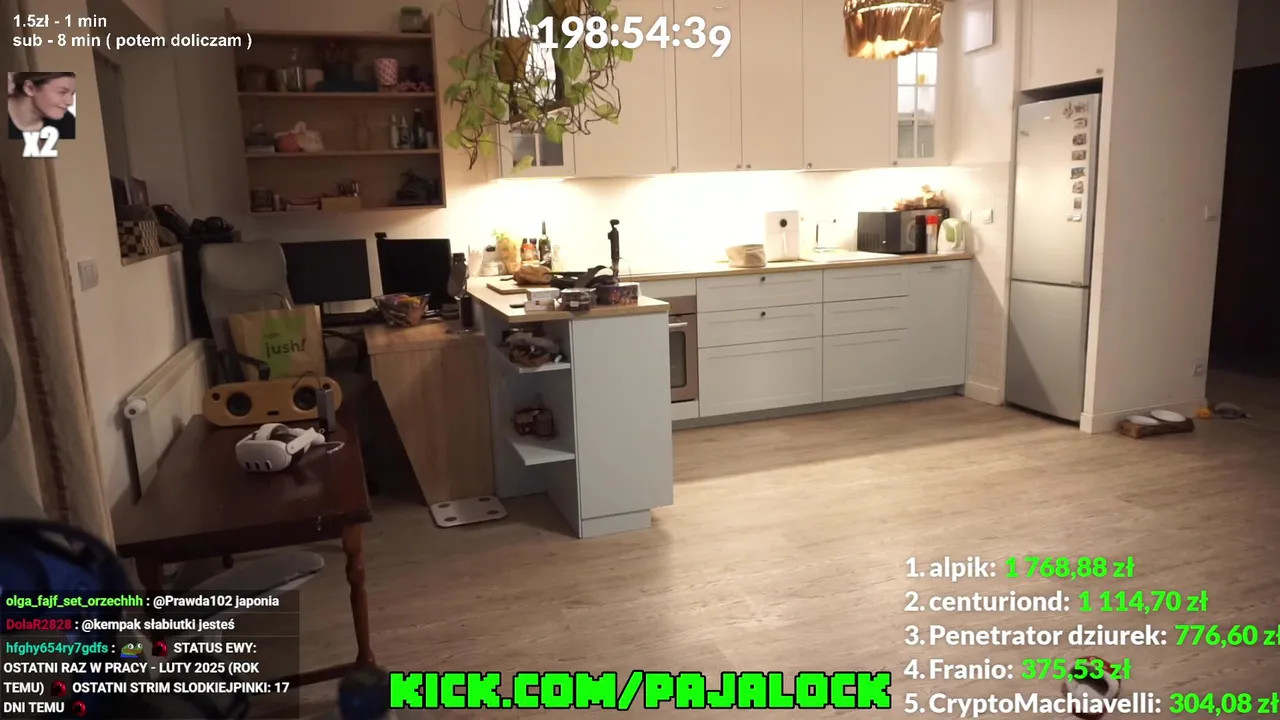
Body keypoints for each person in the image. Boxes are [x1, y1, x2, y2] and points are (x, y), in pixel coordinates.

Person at [8, 71, 76, 141]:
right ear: (29, 88)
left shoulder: (67, 123)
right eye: (62, 92)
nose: (70, 102)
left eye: (72, 94)